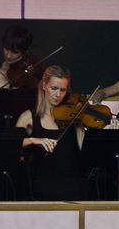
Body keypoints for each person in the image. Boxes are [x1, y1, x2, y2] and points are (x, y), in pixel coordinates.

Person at [15, 65, 87, 201]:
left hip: (73, 187)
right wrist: (34, 140)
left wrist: (81, 125)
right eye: (54, 88)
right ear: (44, 85)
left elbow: (84, 153)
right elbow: (11, 146)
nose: (58, 95)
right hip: (43, 187)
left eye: (63, 90)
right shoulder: (29, 117)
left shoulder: (74, 117)